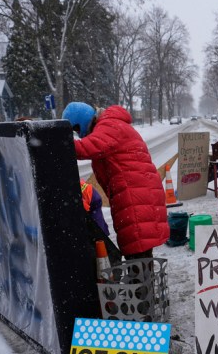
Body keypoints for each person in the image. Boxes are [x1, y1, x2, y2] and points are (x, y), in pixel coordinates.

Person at [64, 102, 169, 259]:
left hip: (135, 196)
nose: (78, 134)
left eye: (76, 129)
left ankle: (143, 283)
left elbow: (86, 148)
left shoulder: (109, 125)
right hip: (136, 194)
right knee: (139, 252)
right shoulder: (111, 124)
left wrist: (57, 142)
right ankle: (144, 281)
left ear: (83, 120)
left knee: (137, 251)